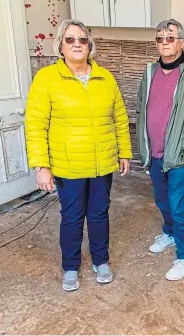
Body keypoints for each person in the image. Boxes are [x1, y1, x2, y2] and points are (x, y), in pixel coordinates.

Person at [25, 19, 132, 291]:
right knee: (72, 217)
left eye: (82, 40)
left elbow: (119, 117)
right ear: (60, 44)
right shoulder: (47, 79)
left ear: (89, 45)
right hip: (67, 165)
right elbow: (36, 124)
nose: (77, 44)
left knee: (99, 214)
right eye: (70, 39)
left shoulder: (105, 77)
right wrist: (41, 166)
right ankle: (71, 266)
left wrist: (124, 152)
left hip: (101, 164)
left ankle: (101, 260)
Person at [136, 19, 184, 281]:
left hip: (178, 154)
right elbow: (140, 106)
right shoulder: (149, 72)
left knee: (179, 205)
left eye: (170, 37)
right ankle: (169, 233)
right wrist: (142, 143)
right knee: (161, 199)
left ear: (181, 42)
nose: (164, 43)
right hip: (154, 151)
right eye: (159, 38)